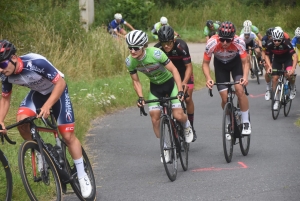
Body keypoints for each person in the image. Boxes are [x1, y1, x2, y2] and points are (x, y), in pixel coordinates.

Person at [0, 40, 92, 198]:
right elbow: (5, 98)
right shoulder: (5, 75)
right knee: (22, 121)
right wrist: (0, 120)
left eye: (2, 64)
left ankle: (82, 175)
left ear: (14, 58)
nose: (0, 69)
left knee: (68, 135)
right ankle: (42, 153)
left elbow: (61, 83)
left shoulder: (35, 62)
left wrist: (48, 105)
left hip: (58, 91)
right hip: (38, 94)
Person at [125, 30, 194, 162]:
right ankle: (165, 148)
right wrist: (140, 97)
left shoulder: (156, 53)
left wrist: (180, 90)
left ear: (143, 46)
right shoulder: (130, 62)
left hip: (170, 84)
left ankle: (186, 126)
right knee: (155, 118)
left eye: (135, 48)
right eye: (130, 48)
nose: (132, 51)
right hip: (155, 88)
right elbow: (136, 81)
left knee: (178, 115)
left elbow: (174, 70)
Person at [202, 21, 251, 135]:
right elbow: (205, 63)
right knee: (224, 99)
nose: (224, 42)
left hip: (236, 64)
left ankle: (245, 121)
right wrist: (208, 78)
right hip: (220, 66)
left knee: (239, 90)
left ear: (233, 38)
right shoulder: (211, 43)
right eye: (222, 39)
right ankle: (229, 122)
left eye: (228, 40)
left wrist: (245, 77)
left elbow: (245, 63)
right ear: (218, 36)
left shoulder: (239, 42)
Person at [154, 25, 197, 142]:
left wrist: (184, 82)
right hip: (169, 76)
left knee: (187, 98)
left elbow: (189, 67)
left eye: (168, 42)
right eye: (163, 43)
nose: (166, 46)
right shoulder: (157, 49)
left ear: (173, 40)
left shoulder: (181, 46)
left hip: (184, 73)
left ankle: (190, 126)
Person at [264, 28, 298, 107]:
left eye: (278, 40)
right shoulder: (269, 43)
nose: (276, 42)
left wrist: (293, 69)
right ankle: (276, 100)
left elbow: (295, 56)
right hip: (277, 60)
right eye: (275, 40)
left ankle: (293, 88)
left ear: (282, 39)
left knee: (289, 75)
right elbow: (266, 55)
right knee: (275, 78)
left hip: (287, 60)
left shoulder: (287, 43)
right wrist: (269, 66)